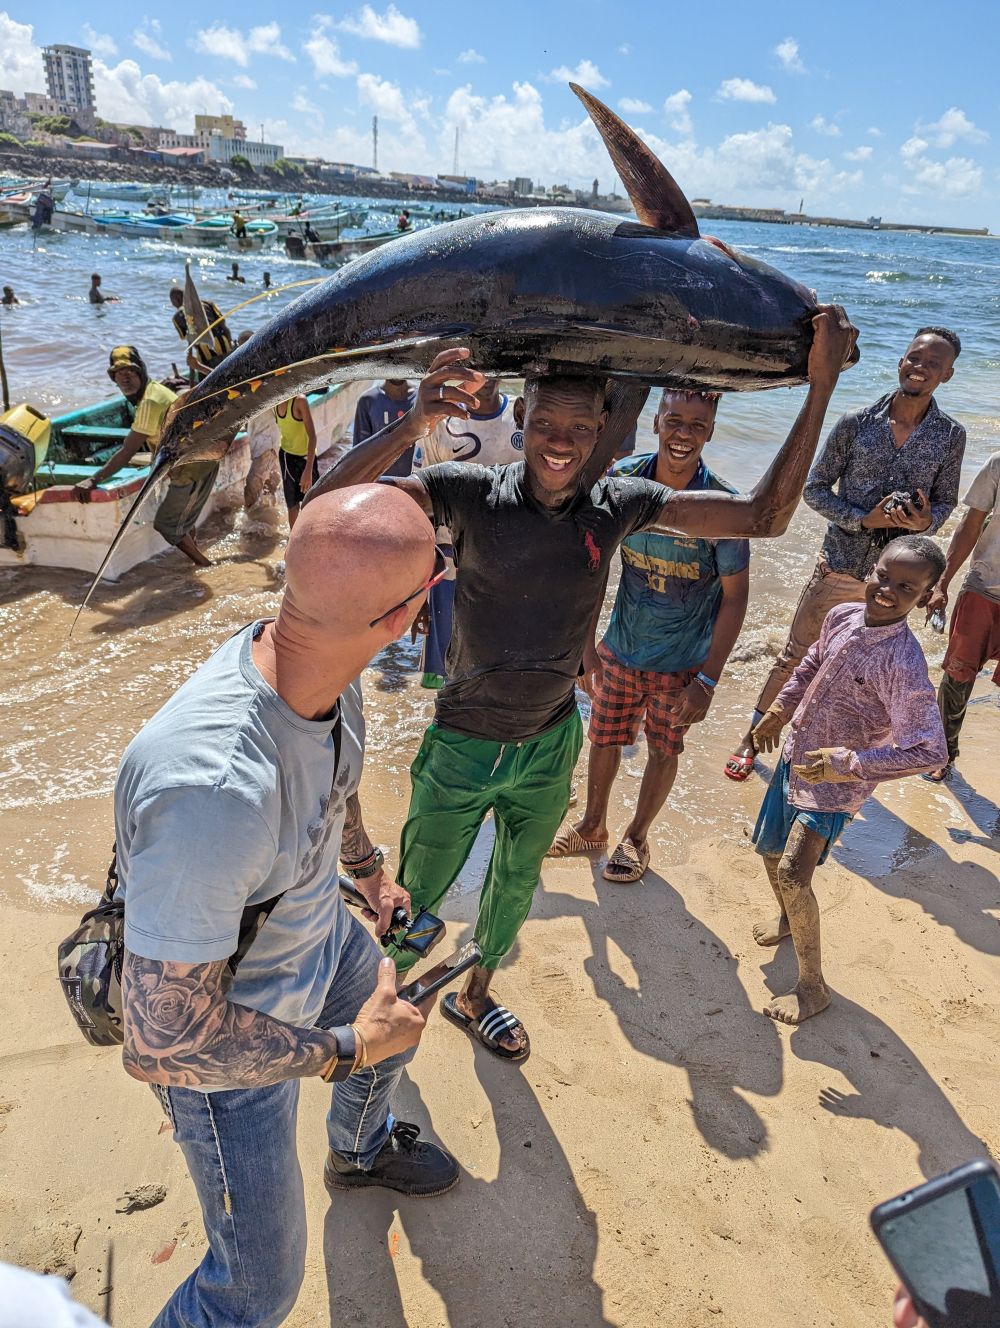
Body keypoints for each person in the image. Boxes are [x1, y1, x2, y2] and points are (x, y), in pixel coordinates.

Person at [308, 305, 856, 1059]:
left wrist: (819, 387)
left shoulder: (620, 504)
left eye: (579, 429)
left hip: (550, 743)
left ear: (603, 433)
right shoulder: (467, 492)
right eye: (546, 424)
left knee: (512, 890)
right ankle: (379, 1006)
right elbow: (324, 514)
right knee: (418, 897)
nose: (560, 444)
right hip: (463, 744)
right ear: (524, 417)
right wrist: (408, 427)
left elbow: (762, 516)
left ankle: (475, 996)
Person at [116, 485, 459, 1327]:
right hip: (231, 1039)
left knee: (396, 1017)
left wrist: (367, 870)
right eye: (434, 577)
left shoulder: (319, 666)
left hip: (321, 938)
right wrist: (344, 1047)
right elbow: (162, 1043)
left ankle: (360, 1150)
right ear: (401, 618)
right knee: (256, 1289)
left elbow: (332, 785)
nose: (441, 588)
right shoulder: (213, 790)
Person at [725, 327, 966, 782]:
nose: (919, 367)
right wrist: (864, 519)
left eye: (932, 364)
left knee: (863, 678)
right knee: (795, 657)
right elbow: (813, 490)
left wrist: (923, 524)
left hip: (897, 586)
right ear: (900, 361)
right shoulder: (856, 422)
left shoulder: (951, 436)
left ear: (947, 375)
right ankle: (751, 741)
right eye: (914, 357)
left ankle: (833, 763)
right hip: (840, 565)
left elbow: (946, 502)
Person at [548, 388, 750, 881]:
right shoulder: (622, 482)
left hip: (682, 664)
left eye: (697, 425)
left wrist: (707, 681)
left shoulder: (722, 507)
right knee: (603, 737)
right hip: (621, 647)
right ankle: (593, 826)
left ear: (711, 431)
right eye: (674, 421)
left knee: (663, 748)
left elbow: (735, 597)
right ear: (656, 421)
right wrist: (586, 647)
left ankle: (637, 838)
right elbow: (595, 565)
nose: (683, 435)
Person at [749, 535, 948, 1024]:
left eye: (906, 587)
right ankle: (790, 918)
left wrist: (846, 763)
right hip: (796, 754)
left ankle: (813, 987)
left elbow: (929, 750)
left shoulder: (902, 662)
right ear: (871, 569)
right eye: (883, 575)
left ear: (924, 597)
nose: (887, 590)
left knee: (796, 872)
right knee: (770, 853)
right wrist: (779, 709)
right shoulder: (841, 615)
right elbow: (814, 661)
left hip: (838, 784)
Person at [414, 376, 523, 688]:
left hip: (507, 566)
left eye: (494, 369)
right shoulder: (440, 425)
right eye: (479, 370)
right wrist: (420, 587)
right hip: (448, 566)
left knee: (500, 663)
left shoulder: (521, 421)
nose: (487, 378)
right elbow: (422, 508)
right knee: (449, 671)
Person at [72, 346, 217, 568]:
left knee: (167, 525)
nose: (125, 379)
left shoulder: (149, 401)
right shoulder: (154, 391)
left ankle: (205, 567)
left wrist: (94, 479)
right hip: (197, 459)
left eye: (130, 372)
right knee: (183, 521)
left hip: (192, 466)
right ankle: (195, 558)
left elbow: (127, 451)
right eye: (119, 375)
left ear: (141, 372)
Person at [923, 450, 1000, 781]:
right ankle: (943, 752)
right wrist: (942, 583)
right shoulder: (998, 464)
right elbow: (970, 525)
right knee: (958, 673)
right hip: (984, 584)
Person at [352, 378, 418, 477]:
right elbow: (358, 455)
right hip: (380, 482)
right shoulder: (368, 401)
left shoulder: (421, 398)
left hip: (415, 480)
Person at [168, 287, 234, 380]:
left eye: (172, 301)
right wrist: (230, 346)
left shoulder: (177, 316)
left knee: (210, 381)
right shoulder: (208, 303)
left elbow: (186, 337)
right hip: (224, 344)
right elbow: (223, 325)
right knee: (229, 374)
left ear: (176, 300)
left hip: (206, 354)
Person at [274, 395, 317, 530]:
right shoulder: (273, 401)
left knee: (311, 502)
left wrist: (308, 471)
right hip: (287, 458)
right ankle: (293, 540)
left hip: (306, 458)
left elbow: (313, 437)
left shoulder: (300, 401)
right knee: (292, 504)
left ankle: (312, 536)